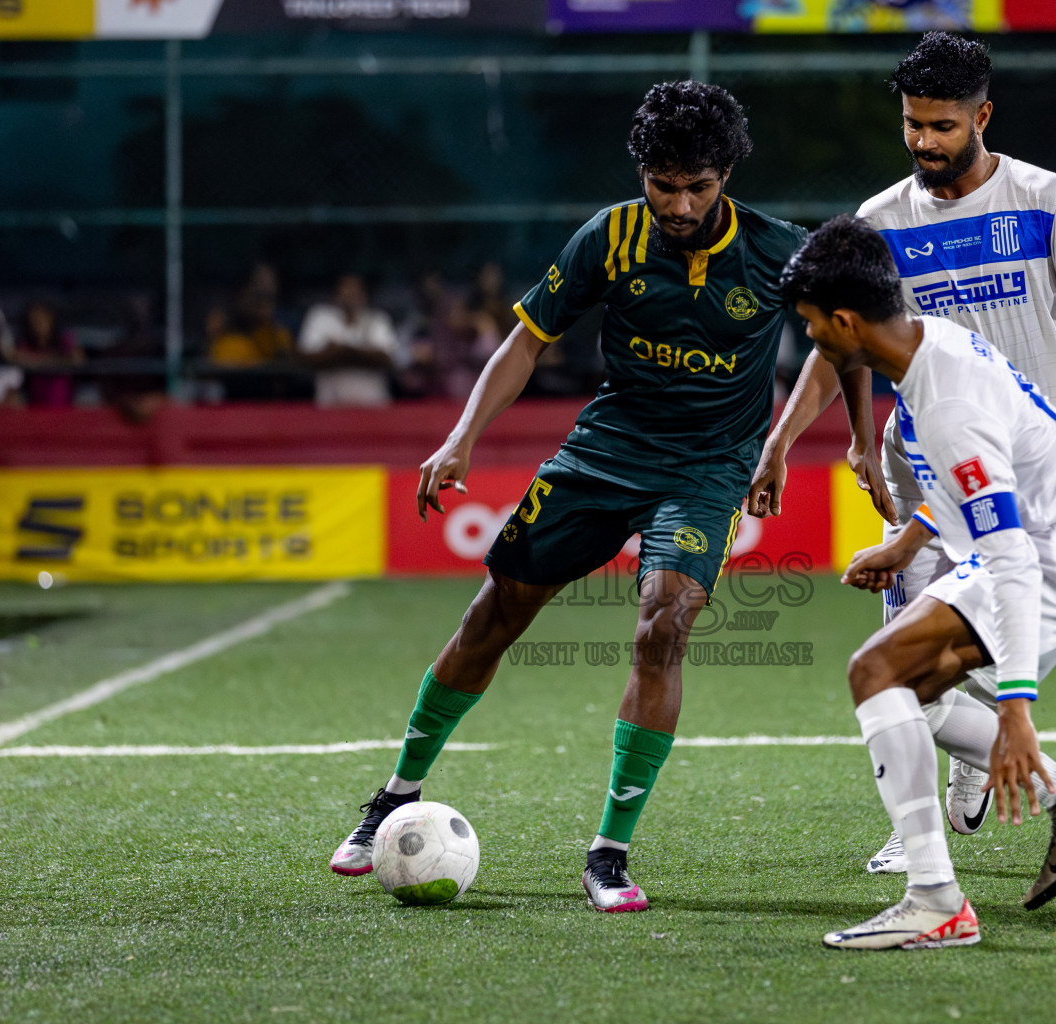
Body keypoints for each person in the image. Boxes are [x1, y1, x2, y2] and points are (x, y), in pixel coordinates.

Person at [327, 81, 807, 913]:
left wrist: (784, 443)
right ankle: (394, 797)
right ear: (643, 174)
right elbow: (526, 341)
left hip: (705, 470)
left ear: (727, 173)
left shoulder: (777, 251)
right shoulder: (609, 237)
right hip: (606, 452)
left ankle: (609, 853)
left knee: (666, 620)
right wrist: (461, 436)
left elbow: (845, 343)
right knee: (494, 614)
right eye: (664, 185)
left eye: (699, 185)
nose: (681, 203)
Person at [748, 32, 1056, 874]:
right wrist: (798, 442)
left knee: (918, 669)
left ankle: (1004, 792)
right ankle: (927, 832)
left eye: (941, 126)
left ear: (982, 115)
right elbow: (840, 347)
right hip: (923, 477)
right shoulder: (880, 221)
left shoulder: (1045, 200)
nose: (923, 142)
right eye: (912, 125)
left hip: (1016, 469)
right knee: (903, 666)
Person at [782, 215, 1056, 950]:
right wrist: (910, 541)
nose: (811, 341)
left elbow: (1012, 560)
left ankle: (935, 900)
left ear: (847, 322)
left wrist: (1015, 706)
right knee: (906, 686)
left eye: (813, 327)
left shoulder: (944, 407)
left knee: (876, 670)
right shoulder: (929, 343)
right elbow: (976, 480)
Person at [297, 274, 399, 408]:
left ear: (364, 294)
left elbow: (387, 359)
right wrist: (364, 352)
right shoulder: (319, 317)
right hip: (330, 406)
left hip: (373, 406)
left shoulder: (378, 320)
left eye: (355, 289)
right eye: (346, 289)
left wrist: (340, 351)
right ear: (336, 293)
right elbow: (307, 359)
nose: (350, 294)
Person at [13, 302, 83, 409]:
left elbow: (78, 360)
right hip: (35, 406)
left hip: (62, 405)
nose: (37, 325)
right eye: (33, 321)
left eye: (40, 320)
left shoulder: (63, 339)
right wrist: (58, 361)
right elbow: (18, 358)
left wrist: (39, 361)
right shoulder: (26, 343)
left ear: (51, 320)